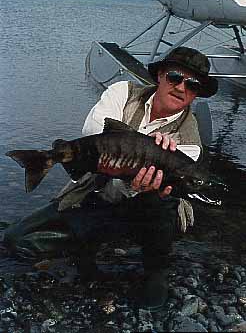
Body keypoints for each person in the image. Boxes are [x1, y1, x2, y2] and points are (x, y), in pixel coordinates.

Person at [4, 46, 218, 312]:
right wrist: (144, 146)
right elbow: (92, 131)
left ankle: (155, 268)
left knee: (162, 200)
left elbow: (183, 182)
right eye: (176, 77)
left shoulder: (189, 142)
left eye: (193, 85)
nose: (182, 88)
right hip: (97, 191)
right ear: (161, 75)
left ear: (196, 93)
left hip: (151, 207)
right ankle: (84, 248)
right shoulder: (122, 92)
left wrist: (140, 177)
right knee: (15, 239)